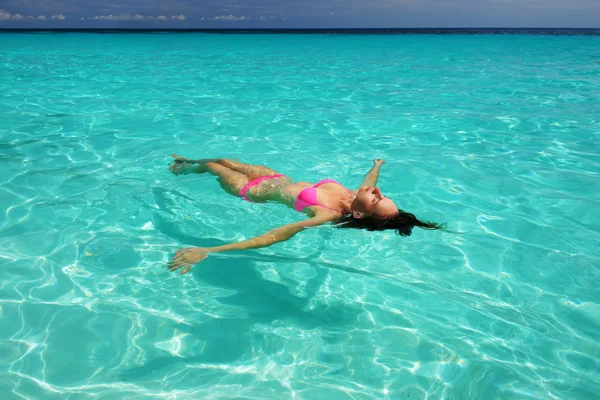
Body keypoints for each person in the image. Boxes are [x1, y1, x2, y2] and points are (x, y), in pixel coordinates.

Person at [167, 155, 445, 274]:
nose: (378, 191)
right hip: (275, 177)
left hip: (249, 190)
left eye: (377, 199)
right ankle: (189, 164)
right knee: (224, 159)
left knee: (217, 167)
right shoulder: (357, 194)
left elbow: (274, 237)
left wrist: (210, 250)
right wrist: (377, 164)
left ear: (360, 214)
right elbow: (371, 178)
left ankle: (185, 169)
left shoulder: (326, 213)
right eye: (381, 195)